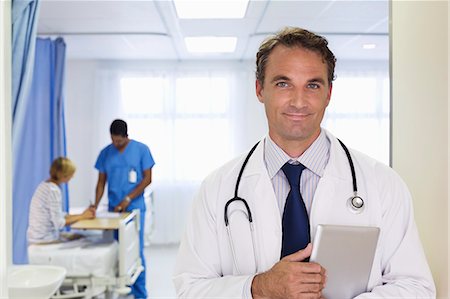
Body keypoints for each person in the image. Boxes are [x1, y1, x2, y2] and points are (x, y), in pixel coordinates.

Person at [173, 27, 436, 298]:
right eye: (283, 83)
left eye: (312, 85)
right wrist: (258, 288)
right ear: (260, 89)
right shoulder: (217, 188)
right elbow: (190, 289)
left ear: (328, 94)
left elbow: (416, 287)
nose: (299, 101)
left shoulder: (383, 184)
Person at [92, 119, 155, 299]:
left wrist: (128, 198)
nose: (116, 144)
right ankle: (119, 288)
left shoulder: (141, 150)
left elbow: (147, 179)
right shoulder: (105, 153)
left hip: (134, 209)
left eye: (119, 141)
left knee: (136, 252)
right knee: (116, 249)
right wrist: (95, 206)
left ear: (126, 137)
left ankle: (140, 294)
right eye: (113, 140)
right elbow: (101, 182)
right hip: (114, 210)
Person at [27, 157, 95, 244]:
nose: (72, 176)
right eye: (71, 174)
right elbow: (59, 223)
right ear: (64, 175)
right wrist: (83, 216)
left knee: (80, 236)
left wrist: (83, 214)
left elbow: (58, 215)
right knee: (85, 240)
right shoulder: (53, 190)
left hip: (36, 237)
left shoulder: (44, 185)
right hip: (44, 240)